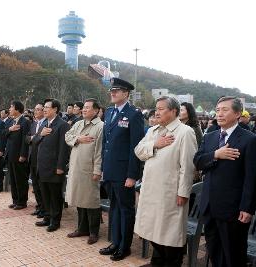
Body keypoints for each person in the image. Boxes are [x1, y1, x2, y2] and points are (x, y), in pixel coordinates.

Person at [193, 96, 256, 267]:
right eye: (217, 110)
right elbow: (197, 161)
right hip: (209, 205)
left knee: (233, 254)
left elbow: (252, 178)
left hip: (233, 209)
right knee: (214, 250)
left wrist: (247, 207)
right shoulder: (210, 136)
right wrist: (216, 154)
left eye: (225, 110)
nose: (220, 114)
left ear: (238, 113)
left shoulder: (249, 139)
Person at [135, 96, 197, 266]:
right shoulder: (152, 131)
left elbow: (188, 166)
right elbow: (138, 151)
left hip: (169, 193)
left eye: (161, 108)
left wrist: (183, 193)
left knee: (169, 235)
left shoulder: (185, 132)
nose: (157, 112)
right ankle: (158, 260)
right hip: (150, 190)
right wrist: (155, 144)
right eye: (156, 108)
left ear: (174, 111)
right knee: (153, 232)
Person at [99, 78, 144, 261]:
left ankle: (125, 246)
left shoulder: (134, 114)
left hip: (124, 173)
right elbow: (105, 144)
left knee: (126, 210)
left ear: (126, 93)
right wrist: (103, 168)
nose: (113, 93)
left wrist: (132, 175)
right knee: (114, 208)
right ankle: (115, 242)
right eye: (112, 90)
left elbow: (136, 147)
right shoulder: (109, 112)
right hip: (110, 170)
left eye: (117, 90)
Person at [65, 98, 104, 245]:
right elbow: (67, 136)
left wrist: (97, 170)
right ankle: (82, 228)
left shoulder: (100, 126)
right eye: (84, 107)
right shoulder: (78, 123)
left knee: (91, 200)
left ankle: (94, 232)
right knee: (79, 198)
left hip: (89, 168)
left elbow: (99, 151)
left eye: (88, 107)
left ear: (96, 110)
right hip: (76, 166)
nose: (84, 110)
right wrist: (78, 138)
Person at [33, 99, 70, 232]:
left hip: (54, 168)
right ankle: (47, 217)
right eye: (44, 107)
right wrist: (40, 135)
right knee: (45, 194)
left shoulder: (62, 125)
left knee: (55, 195)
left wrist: (60, 167)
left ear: (55, 109)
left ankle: (55, 220)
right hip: (42, 166)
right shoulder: (44, 124)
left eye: (47, 107)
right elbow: (35, 141)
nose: (44, 110)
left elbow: (64, 148)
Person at [4, 100, 31, 210]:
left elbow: (26, 140)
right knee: (13, 179)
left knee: (20, 179)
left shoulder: (25, 122)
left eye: (11, 107)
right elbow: (3, 133)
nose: (9, 109)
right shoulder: (11, 121)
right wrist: (10, 129)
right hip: (10, 154)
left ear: (17, 109)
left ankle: (22, 202)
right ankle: (15, 200)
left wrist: (23, 155)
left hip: (19, 155)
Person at [26, 103, 46, 217]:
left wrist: (34, 138)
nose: (36, 111)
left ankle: (44, 208)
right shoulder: (33, 123)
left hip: (41, 159)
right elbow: (26, 138)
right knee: (35, 186)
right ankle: (39, 207)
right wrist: (33, 138)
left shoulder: (46, 124)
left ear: (44, 111)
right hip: (32, 158)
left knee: (41, 185)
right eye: (35, 109)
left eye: (38, 109)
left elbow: (39, 139)